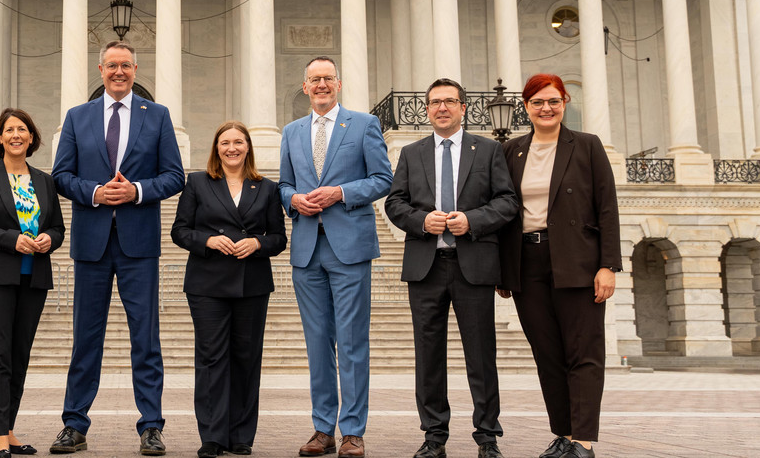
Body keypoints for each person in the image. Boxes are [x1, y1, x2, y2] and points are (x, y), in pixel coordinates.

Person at [50, 40, 185, 456]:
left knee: (146, 338)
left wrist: (137, 191)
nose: (119, 72)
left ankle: (151, 426)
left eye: (126, 65)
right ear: (101, 69)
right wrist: (94, 193)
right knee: (85, 338)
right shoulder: (78, 116)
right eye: (112, 66)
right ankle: (74, 423)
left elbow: (175, 176)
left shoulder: (157, 115)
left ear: (135, 69)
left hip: (138, 244)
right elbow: (61, 175)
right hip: (90, 243)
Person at [384, 78, 519, 458]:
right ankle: (433, 435)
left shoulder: (489, 150)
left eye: (449, 101)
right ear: (427, 109)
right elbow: (395, 203)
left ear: (463, 107)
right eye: (434, 102)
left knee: (481, 353)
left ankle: (487, 435)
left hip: (473, 264)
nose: (441, 108)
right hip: (426, 266)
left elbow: (507, 201)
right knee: (428, 355)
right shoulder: (412, 153)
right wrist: (421, 221)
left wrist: (472, 221)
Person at [497, 74, 622, 458]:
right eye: (537, 102)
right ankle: (564, 434)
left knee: (583, 352)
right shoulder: (512, 151)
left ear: (564, 102)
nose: (546, 108)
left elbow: (607, 207)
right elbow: (504, 212)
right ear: (526, 107)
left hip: (577, 261)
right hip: (527, 262)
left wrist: (608, 266)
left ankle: (583, 440)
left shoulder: (586, 146)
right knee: (547, 353)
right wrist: (503, 271)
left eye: (552, 101)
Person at [279, 56, 392, 458]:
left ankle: (353, 431)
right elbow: (284, 184)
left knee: (351, 340)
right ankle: (322, 428)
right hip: (307, 249)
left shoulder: (363, 124)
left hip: (349, 248)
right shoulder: (292, 132)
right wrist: (291, 199)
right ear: (305, 86)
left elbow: (382, 178)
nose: (321, 85)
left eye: (328, 78)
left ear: (338, 84)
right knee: (317, 343)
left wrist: (341, 193)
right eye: (315, 80)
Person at [170, 121, 286, 458]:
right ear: (216, 148)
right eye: (225, 142)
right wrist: (207, 239)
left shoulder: (266, 188)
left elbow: (279, 238)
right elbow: (179, 231)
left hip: (252, 282)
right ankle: (212, 436)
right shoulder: (197, 182)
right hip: (207, 282)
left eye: (238, 142)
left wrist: (257, 242)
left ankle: (241, 435)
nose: (231, 148)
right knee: (211, 359)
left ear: (248, 147)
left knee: (246, 359)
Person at [0, 108, 66, 458]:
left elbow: (58, 228)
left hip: (33, 277)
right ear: (0, 138)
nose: (17, 135)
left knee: (19, 357)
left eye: (23, 129)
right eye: (10, 130)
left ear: (33, 138)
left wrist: (49, 238)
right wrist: (11, 239)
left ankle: (8, 429)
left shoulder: (44, 180)